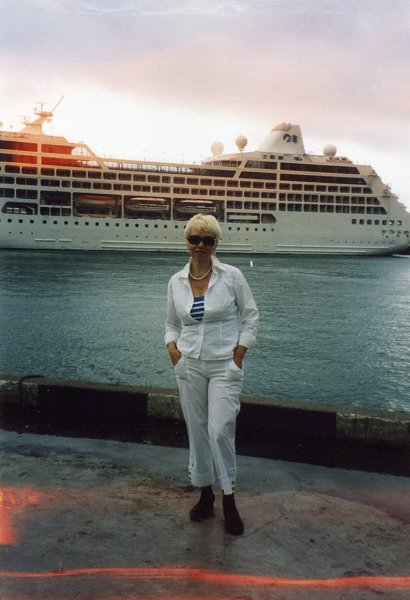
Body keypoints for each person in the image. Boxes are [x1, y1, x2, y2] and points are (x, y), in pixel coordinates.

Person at [165, 213, 259, 535]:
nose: (200, 245)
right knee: (197, 431)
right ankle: (205, 494)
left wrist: (239, 354)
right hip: (189, 364)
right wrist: (173, 351)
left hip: (223, 365)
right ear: (186, 243)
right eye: (195, 239)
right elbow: (171, 323)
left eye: (208, 240)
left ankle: (229, 498)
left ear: (216, 244)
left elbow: (251, 316)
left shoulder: (231, 276)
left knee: (220, 430)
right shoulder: (175, 281)